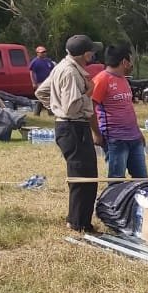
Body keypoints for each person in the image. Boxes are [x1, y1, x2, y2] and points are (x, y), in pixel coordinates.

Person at [35, 35, 104, 234]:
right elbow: (72, 106)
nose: (93, 53)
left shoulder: (61, 67)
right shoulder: (70, 72)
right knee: (83, 177)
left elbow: (42, 92)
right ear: (86, 54)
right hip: (74, 126)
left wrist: (55, 108)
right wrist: (89, 92)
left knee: (83, 174)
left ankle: (79, 220)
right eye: (91, 51)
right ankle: (78, 223)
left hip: (68, 125)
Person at [92, 45, 147, 179]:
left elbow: (128, 108)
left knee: (142, 179)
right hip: (115, 139)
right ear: (124, 62)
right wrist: (96, 134)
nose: (131, 64)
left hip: (134, 138)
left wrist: (138, 132)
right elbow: (90, 108)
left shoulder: (123, 79)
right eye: (130, 60)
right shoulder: (101, 80)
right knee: (117, 179)